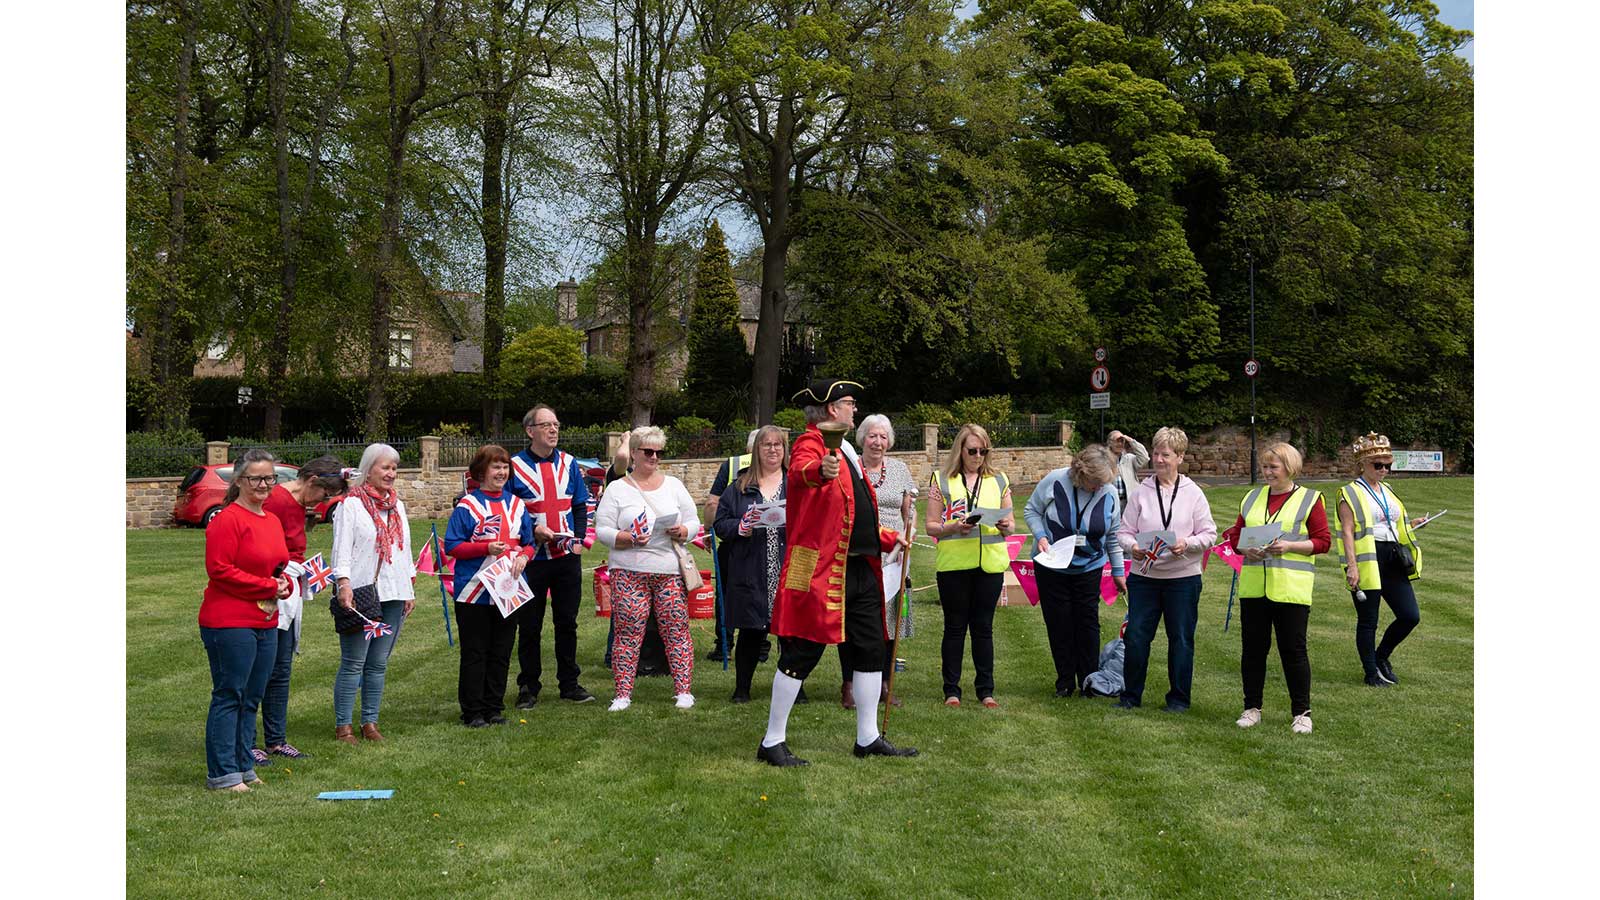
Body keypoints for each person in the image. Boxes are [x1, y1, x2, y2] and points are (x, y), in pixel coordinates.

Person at [757, 379, 916, 766]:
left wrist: (888, 536)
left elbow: (856, 511)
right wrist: (821, 471)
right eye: (848, 402)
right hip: (821, 570)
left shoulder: (846, 448)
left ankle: (868, 737)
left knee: (869, 649)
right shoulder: (813, 445)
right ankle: (771, 741)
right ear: (831, 409)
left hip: (860, 565)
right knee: (802, 652)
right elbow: (801, 473)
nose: (854, 408)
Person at [199, 449, 293, 791]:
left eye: (270, 478)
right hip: (229, 621)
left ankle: (244, 766)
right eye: (256, 478)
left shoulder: (271, 520)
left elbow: (276, 564)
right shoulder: (227, 519)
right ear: (239, 480)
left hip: (265, 619)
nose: (265, 484)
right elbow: (219, 570)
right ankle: (223, 774)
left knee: (252, 696)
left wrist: (282, 584)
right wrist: (268, 585)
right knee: (230, 694)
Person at [1220, 442, 1330, 734]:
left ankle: (1302, 712)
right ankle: (1251, 708)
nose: (1267, 472)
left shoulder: (1309, 499)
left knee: (1293, 651)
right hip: (1254, 587)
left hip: (1291, 588)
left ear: (1289, 468)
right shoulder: (1251, 497)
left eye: (1273, 467)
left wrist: (1290, 546)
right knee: (1253, 651)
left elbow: (1323, 542)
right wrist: (1245, 549)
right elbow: (1236, 537)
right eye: (1265, 467)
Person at [593, 426, 700, 711]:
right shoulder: (617, 489)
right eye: (648, 452)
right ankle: (622, 694)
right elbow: (601, 527)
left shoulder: (674, 485)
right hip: (628, 570)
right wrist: (623, 538)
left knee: (676, 630)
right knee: (627, 632)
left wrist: (683, 530)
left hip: (668, 571)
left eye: (659, 452)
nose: (654, 457)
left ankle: (684, 690)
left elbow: (694, 521)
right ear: (635, 454)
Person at [1114, 426, 1217, 713]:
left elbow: (1210, 534)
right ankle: (1130, 696)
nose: (1158, 460)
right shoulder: (1141, 492)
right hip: (1144, 577)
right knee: (1135, 636)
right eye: (1156, 453)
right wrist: (1133, 547)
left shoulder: (1193, 493)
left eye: (1166, 455)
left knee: (1181, 639)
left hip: (1183, 579)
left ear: (1180, 457)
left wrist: (1188, 543)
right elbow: (1124, 532)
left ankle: (1179, 700)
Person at [253, 456, 347, 765]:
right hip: (271, 589)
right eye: (324, 494)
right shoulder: (277, 500)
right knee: (260, 669)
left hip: (288, 588)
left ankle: (276, 739)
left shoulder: (296, 506)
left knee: (281, 669)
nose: (323, 502)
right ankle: (248, 741)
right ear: (312, 482)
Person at [506, 404, 595, 706]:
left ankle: (569, 683)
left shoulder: (569, 463)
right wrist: (532, 534)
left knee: (567, 622)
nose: (553, 430)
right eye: (546, 425)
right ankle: (529, 686)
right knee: (529, 624)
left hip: (567, 557)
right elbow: (508, 511)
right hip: (532, 559)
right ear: (530, 431)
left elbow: (581, 505)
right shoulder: (514, 466)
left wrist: (579, 540)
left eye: (556, 424)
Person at [1023, 443, 1126, 698]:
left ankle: (1090, 681)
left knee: (1088, 624)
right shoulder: (1055, 480)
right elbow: (1032, 510)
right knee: (1059, 623)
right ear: (1081, 473)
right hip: (1052, 565)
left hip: (1088, 566)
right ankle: (1065, 681)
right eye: (1094, 482)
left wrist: (1118, 570)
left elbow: (1113, 536)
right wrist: (1041, 536)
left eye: (1103, 482)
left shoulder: (1109, 493)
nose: (1099, 487)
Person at [445, 445, 537, 727]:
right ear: (481, 471)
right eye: (495, 467)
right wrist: (485, 547)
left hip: (507, 589)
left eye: (505, 467)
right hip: (473, 590)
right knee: (475, 652)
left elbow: (529, 543)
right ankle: (472, 711)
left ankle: (494, 707)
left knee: (501, 651)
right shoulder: (467, 506)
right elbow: (452, 546)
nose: (501, 472)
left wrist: (523, 556)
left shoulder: (517, 504)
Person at [330, 443, 416, 744]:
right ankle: (344, 725)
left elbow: (403, 548)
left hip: (394, 589)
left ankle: (370, 721)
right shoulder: (351, 504)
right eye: (385, 468)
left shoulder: (397, 505)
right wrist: (343, 583)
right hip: (363, 589)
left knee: (378, 662)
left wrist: (408, 587)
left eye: (394, 468)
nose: (391, 474)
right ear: (368, 470)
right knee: (354, 660)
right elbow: (341, 548)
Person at [927, 423, 1016, 709]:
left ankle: (985, 690)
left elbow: (1011, 525)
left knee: (983, 629)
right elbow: (930, 525)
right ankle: (951, 690)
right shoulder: (941, 479)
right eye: (972, 451)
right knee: (954, 628)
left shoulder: (999, 479)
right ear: (960, 451)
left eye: (983, 450)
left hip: (988, 566)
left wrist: (1005, 526)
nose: (978, 456)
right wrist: (953, 527)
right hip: (954, 565)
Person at [1336, 431, 1427, 688]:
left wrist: (1412, 524)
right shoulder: (1350, 493)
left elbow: (1390, 522)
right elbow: (1347, 532)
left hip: (1393, 557)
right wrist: (1351, 567)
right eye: (1378, 465)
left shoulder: (1388, 490)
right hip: (1368, 559)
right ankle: (1370, 672)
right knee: (1369, 620)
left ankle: (1381, 657)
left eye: (1388, 464)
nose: (1384, 469)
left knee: (1410, 615)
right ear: (1362, 464)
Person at [712, 426, 788, 703]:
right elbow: (719, 523)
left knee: (789, 634)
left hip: (786, 568)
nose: (772, 450)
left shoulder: (795, 485)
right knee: (751, 630)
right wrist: (740, 527)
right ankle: (742, 687)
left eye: (777, 445)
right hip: (750, 568)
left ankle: (795, 687)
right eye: (766, 445)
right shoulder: (740, 487)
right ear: (756, 451)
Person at [847, 414, 916, 708]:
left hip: (893, 554)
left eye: (883, 437)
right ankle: (849, 684)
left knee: (889, 622)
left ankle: (885, 684)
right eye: (873, 436)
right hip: (859, 551)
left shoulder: (899, 470)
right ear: (863, 438)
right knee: (854, 622)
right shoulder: (851, 469)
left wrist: (907, 531)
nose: (878, 442)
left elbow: (908, 510)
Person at [703, 431, 757, 662]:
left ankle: (724, 644)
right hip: (766, 541)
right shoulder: (781, 466)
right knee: (760, 592)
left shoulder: (732, 464)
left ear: (747, 449)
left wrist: (708, 530)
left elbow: (713, 501)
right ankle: (760, 645)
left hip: (732, 540)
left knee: (725, 592)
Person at [1107, 429, 1150, 513]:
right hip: (1110, 502)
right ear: (1110, 443)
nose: (1120, 444)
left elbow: (1144, 458)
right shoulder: (1103, 459)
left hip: (1129, 501)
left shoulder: (1129, 458)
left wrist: (1131, 441)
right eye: (1117, 441)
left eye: (1122, 441)